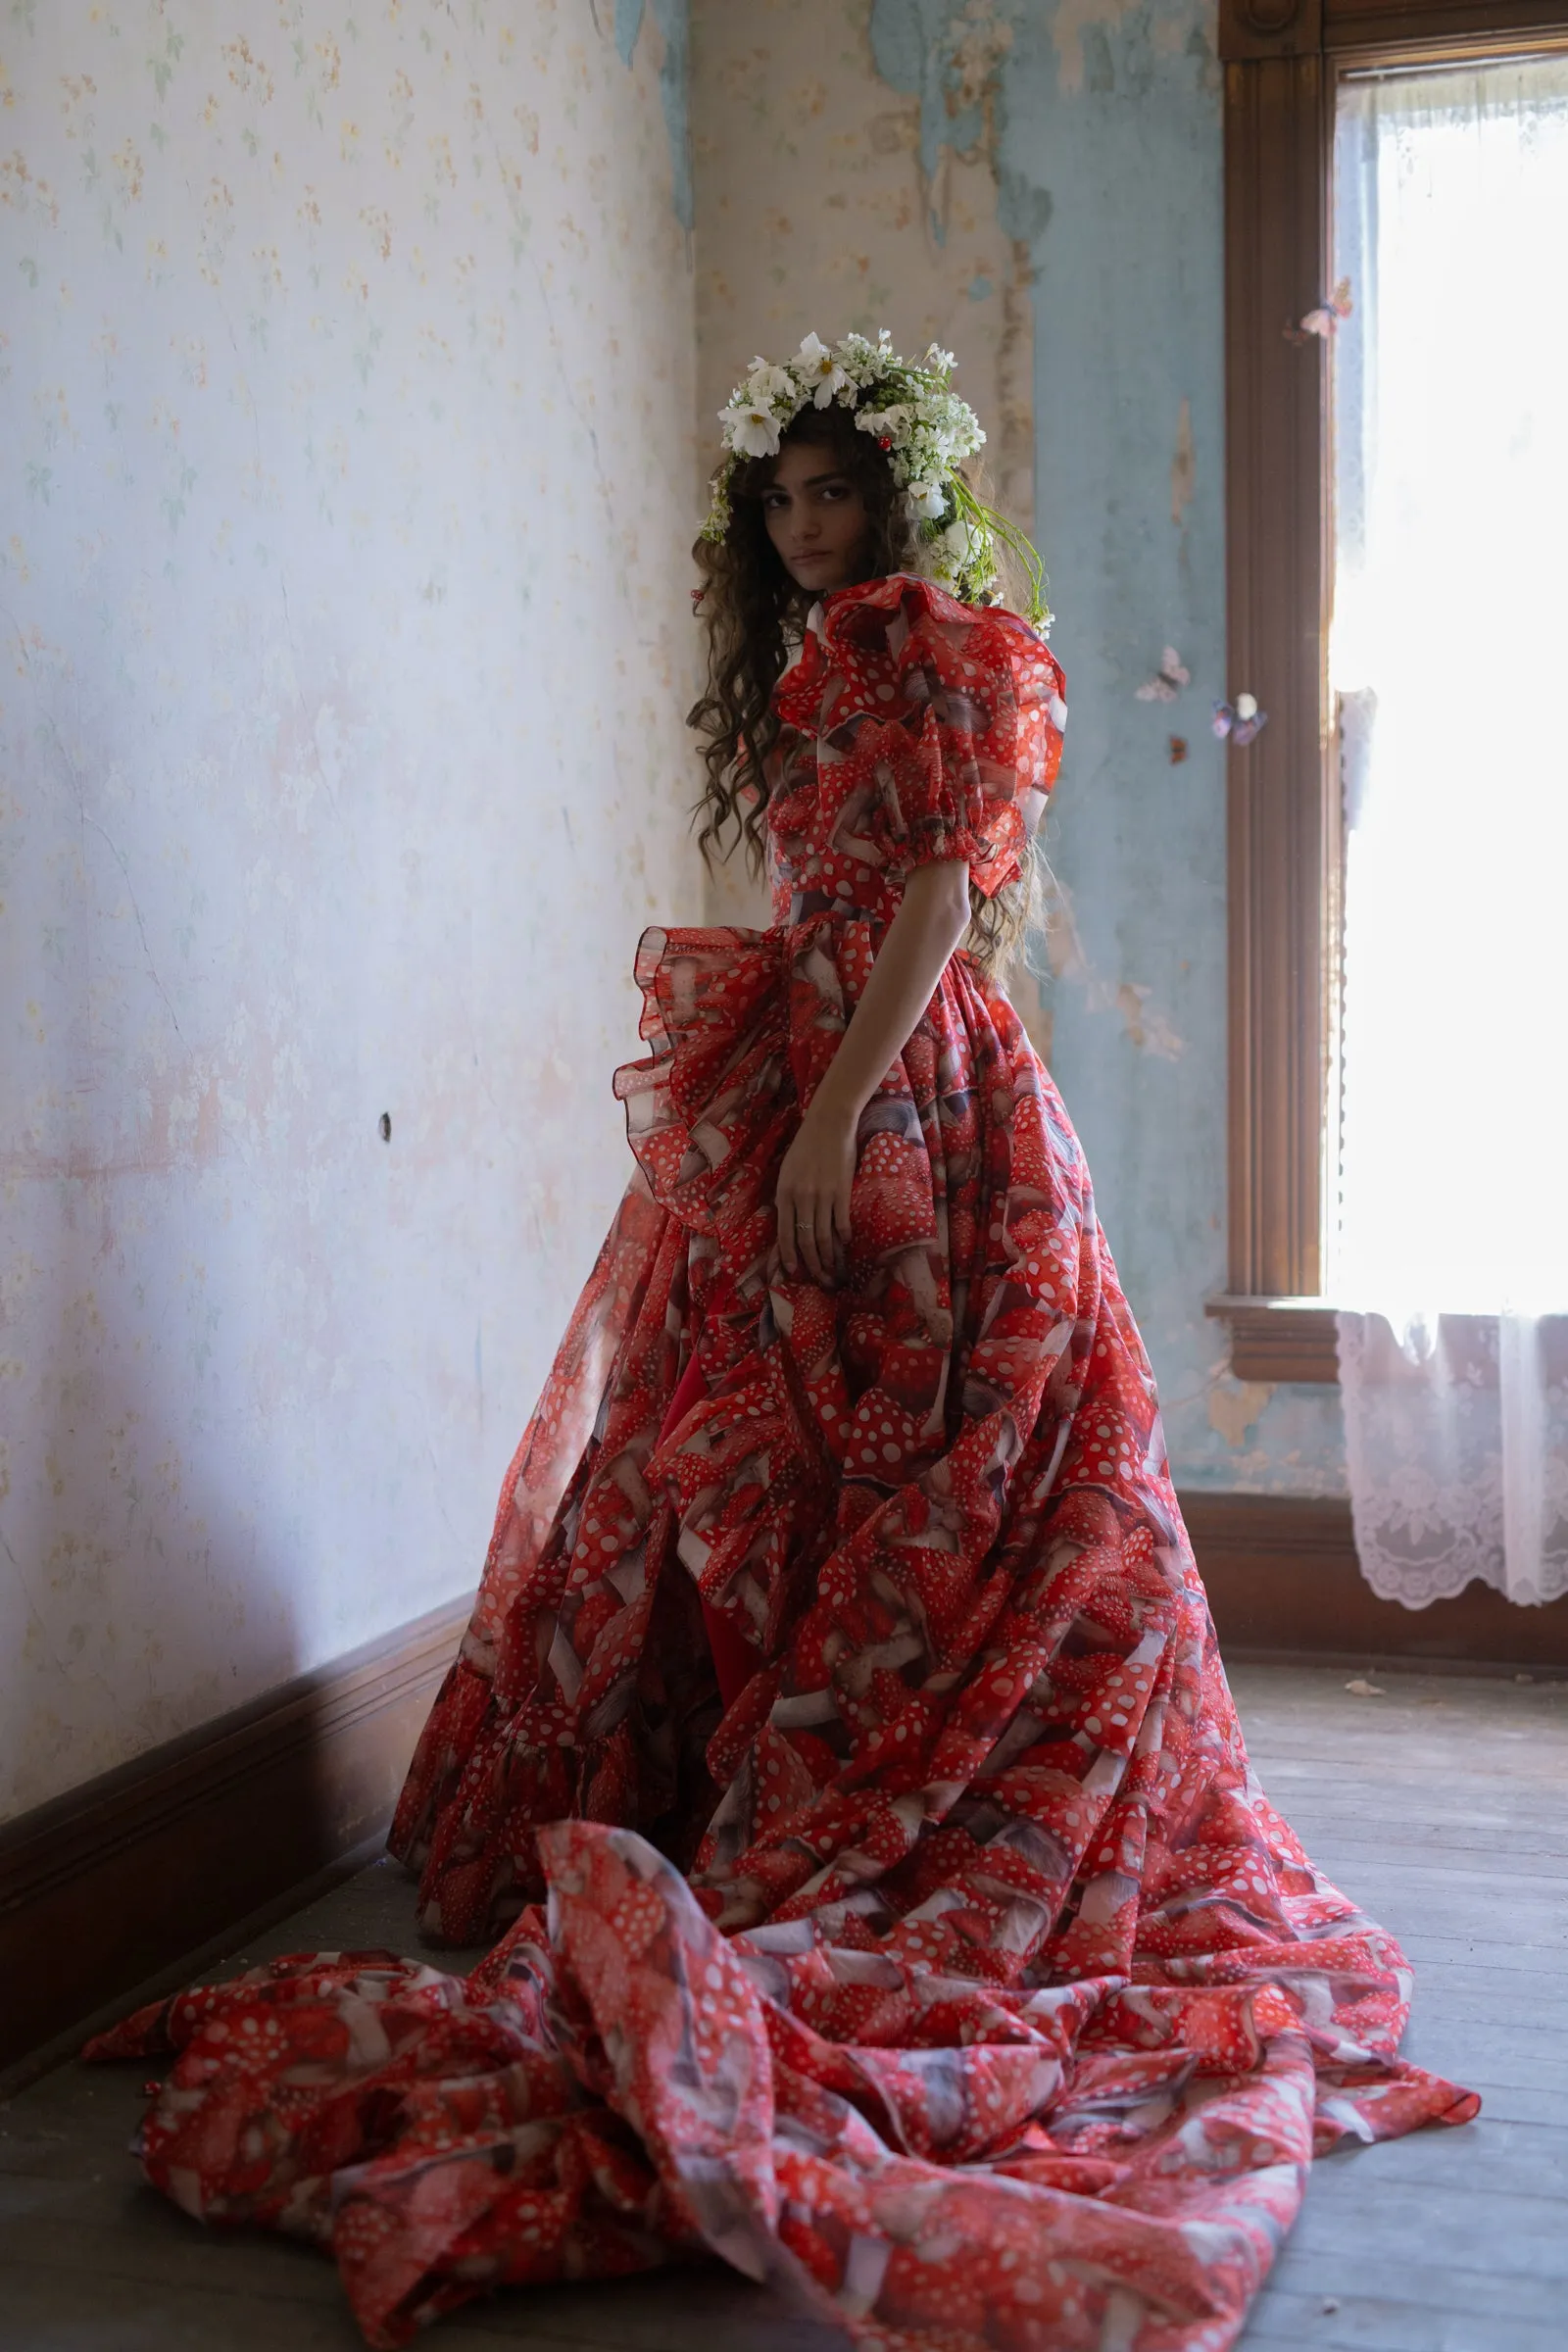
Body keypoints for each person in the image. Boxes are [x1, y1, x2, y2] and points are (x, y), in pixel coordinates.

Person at [89, 333, 1476, 2352]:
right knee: (760, 1446)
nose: (802, 527)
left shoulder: (945, 647)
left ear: (897, 501)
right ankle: (772, 1775)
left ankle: (897, 1793)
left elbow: (932, 895)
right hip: (812, 1064)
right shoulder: (828, 655)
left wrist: (834, 1111)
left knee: (959, 1454)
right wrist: (791, 1090)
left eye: (833, 494)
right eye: (780, 498)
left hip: (902, 1088)